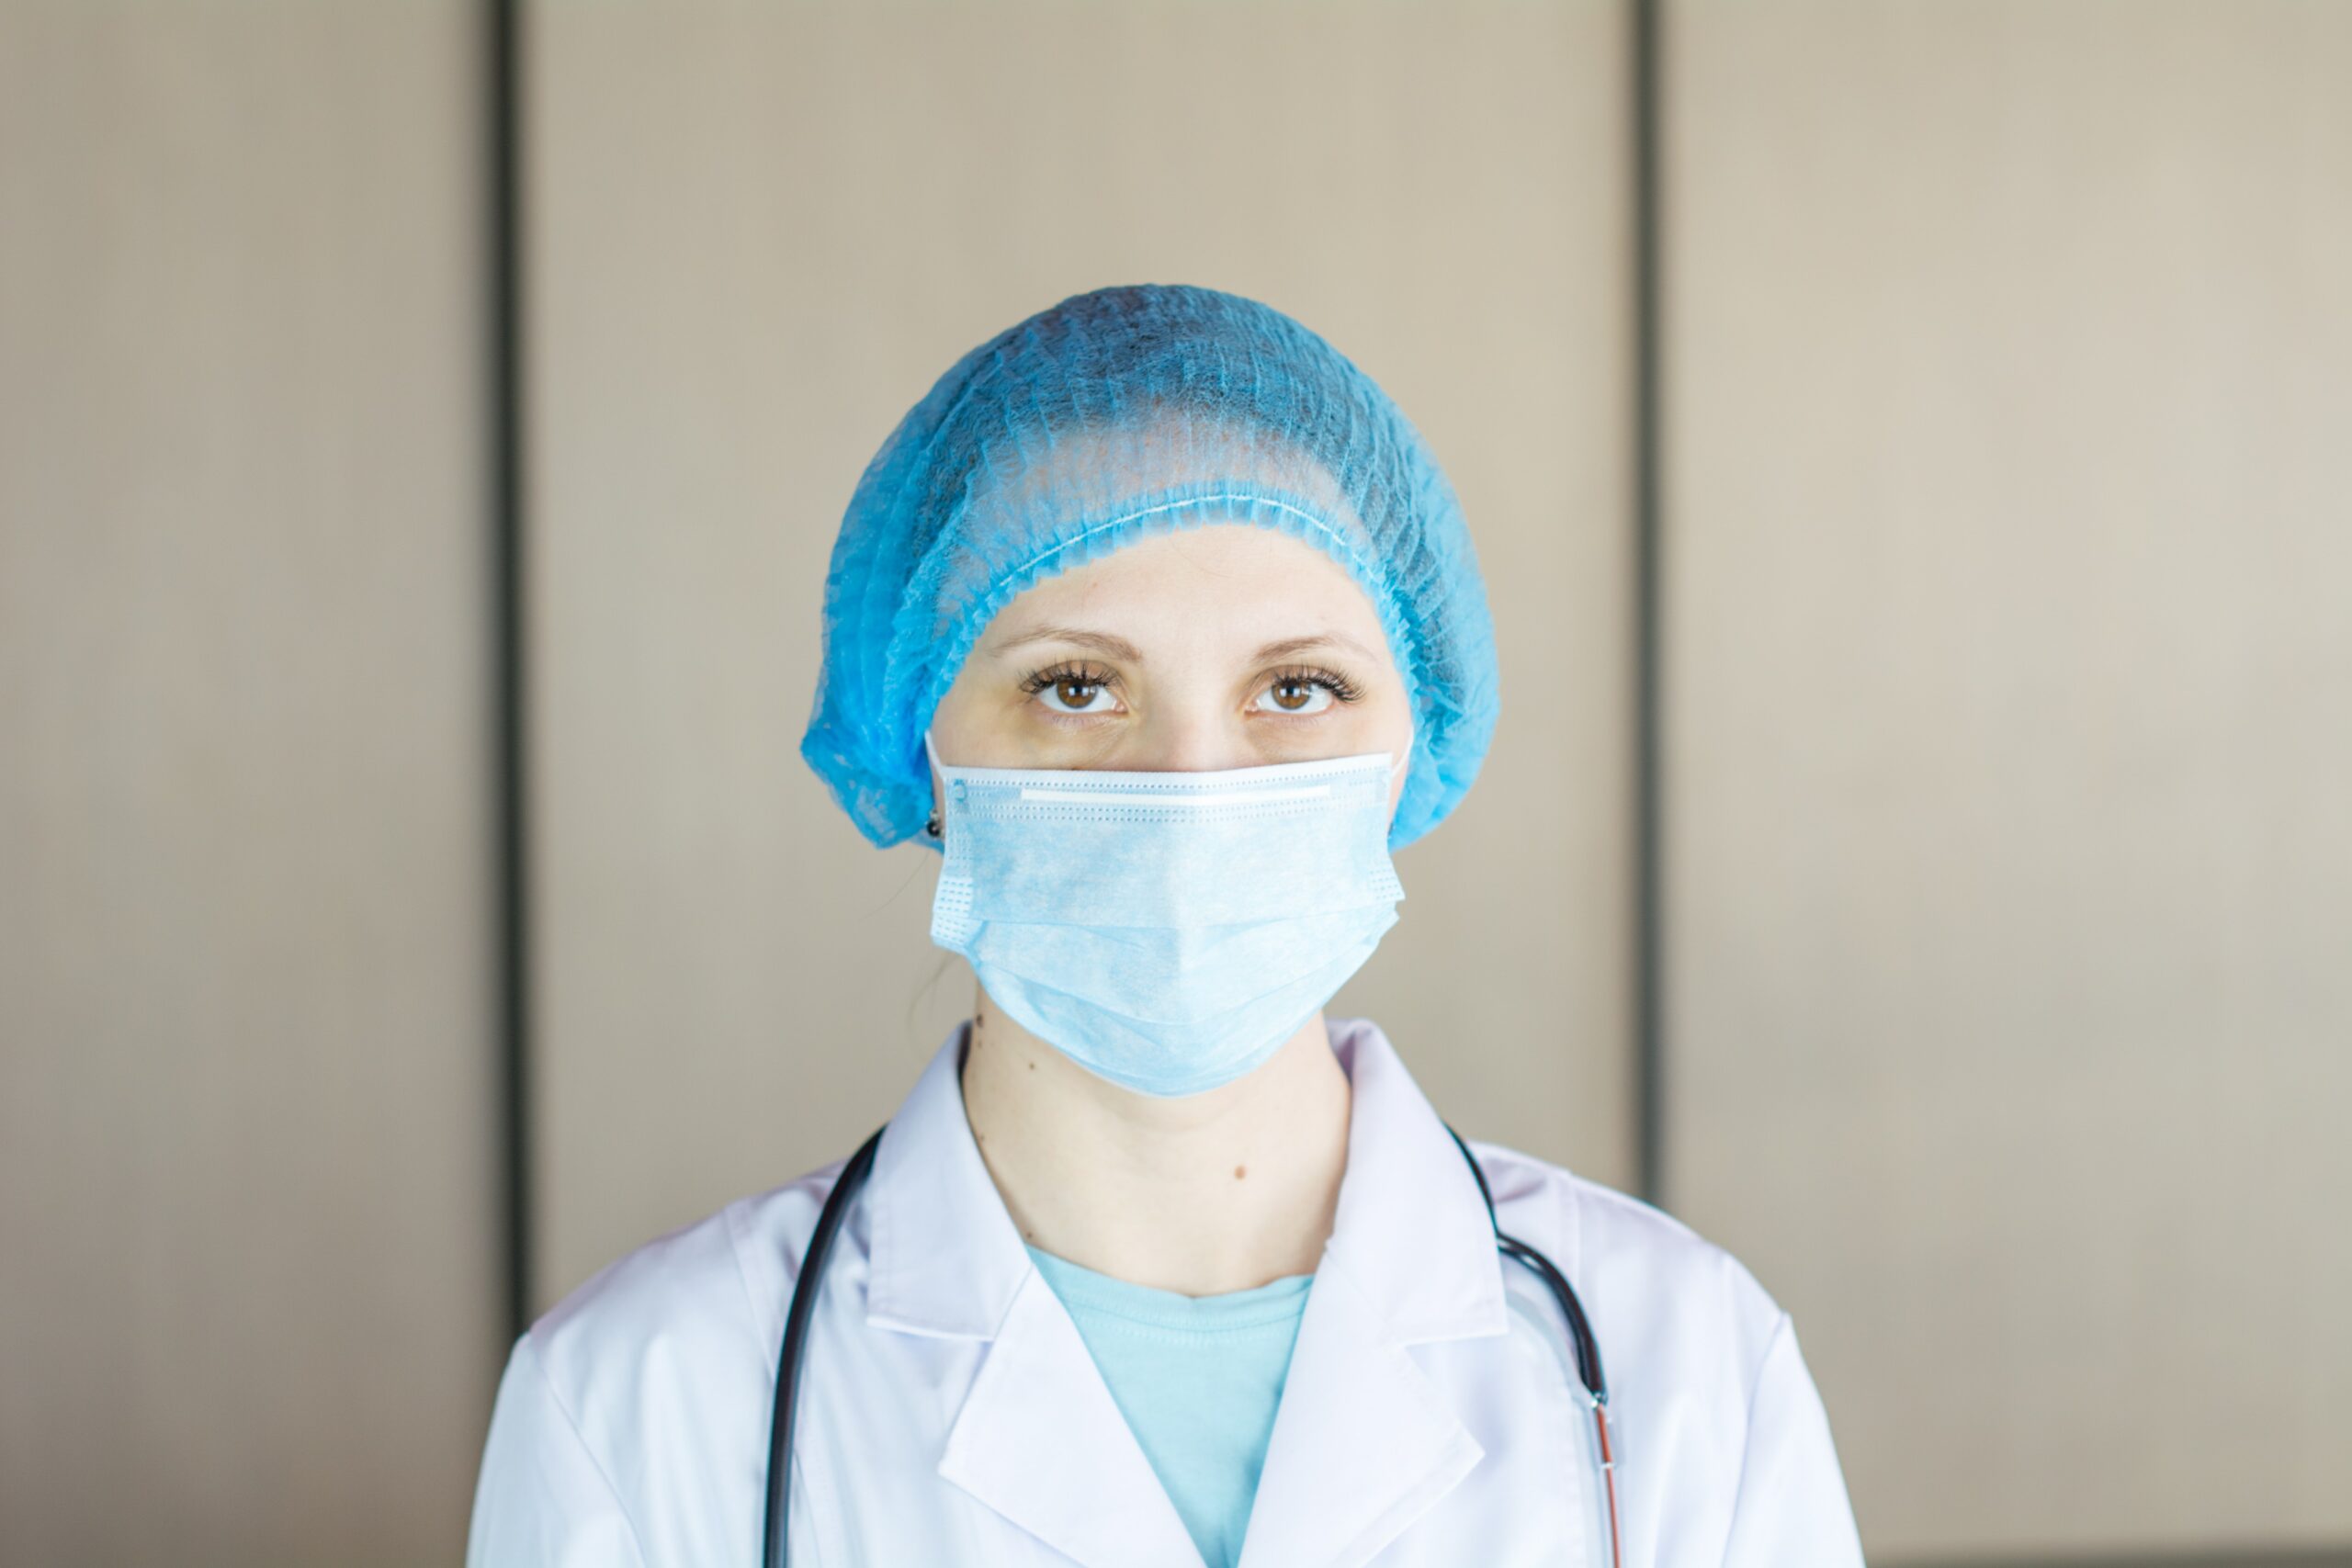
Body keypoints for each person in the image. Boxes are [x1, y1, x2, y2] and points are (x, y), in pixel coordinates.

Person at [466, 284, 1866, 1566]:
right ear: (920, 745)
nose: (1193, 791)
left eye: (1300, 690)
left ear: (1411, 746)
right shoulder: (640, 1407)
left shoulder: (1684, 1367)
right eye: (1075, 687)